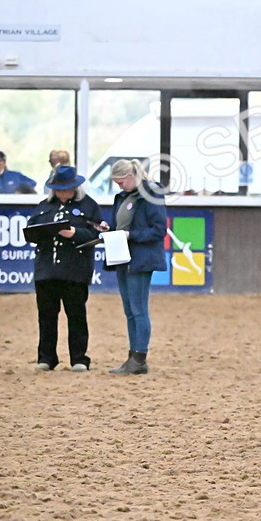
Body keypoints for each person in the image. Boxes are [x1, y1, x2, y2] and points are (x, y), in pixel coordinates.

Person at [26, 164, 107, 372]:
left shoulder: (89, 207)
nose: (62, 193)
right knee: (46, 316)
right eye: (58, 189)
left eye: (66, 188)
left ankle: (79, 358)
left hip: (75, 271)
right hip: (47, 269)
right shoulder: (44, 206)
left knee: (76, 314)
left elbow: (98, 233)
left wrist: (74, 233)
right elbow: (31, 230)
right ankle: (46, 357)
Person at [106, 159, 166, 375]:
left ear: (131, 177)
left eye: (121, 182)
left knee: (139, 309)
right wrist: (110, 229)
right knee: (130, 310)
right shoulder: (123, 197)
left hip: (140, 258)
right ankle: (133, 356)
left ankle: (139, 357)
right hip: (123, 256)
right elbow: (121, 224)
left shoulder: (151, 194)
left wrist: (131, 235)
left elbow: (159, 230)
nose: (119, 187)